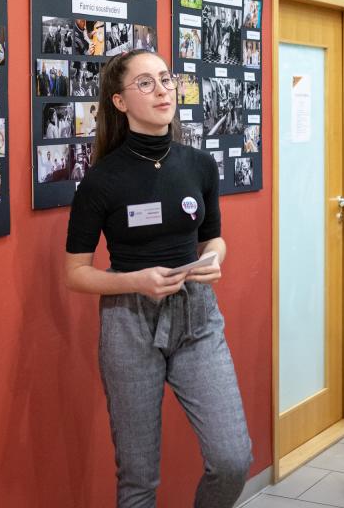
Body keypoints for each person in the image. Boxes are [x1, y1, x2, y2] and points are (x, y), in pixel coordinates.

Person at [64, 50, 251, 508]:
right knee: (138, 477)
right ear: (120, 102)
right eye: (145, 83)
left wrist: (213, 259)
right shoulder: (100, 180)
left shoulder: (199, 164)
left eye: (166, 80)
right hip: (130, 322)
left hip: (197, 316)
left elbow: (214, 239)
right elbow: (76, 274)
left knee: (233, 459)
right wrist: (136, 282)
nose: (163, 91)